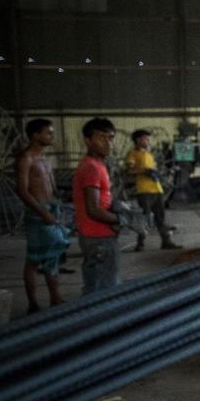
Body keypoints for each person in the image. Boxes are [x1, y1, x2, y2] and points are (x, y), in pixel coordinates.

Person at [14, 118, 69, 312]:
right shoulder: (25, 159)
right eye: (48, 133)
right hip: (37, 214)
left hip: (51, 210)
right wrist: (43, 211)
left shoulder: (45, 159)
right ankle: (33, 303)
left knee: (53, 255)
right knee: (34, 259)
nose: (51, 136)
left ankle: (56, 297)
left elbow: (51, 188)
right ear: (36, 135)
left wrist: (57, 206)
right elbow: (22, 191)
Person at [73, 117, 121, 295]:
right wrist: (121, 219)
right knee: (104, 289)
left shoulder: (97, 165)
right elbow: (93, 210)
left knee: (99, 284)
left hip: (98, 236)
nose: (108, 143)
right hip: (98, 237)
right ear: (87, 140)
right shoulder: (91, 167)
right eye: (101, 137)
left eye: (110, 138)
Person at [125, 130, 180, 251]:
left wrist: (158, 174)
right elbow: (129, 170)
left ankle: (166, 242)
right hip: (144, 191)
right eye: (145, 138)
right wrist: (144, 171)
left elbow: (153, 170)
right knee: (144, 217)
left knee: (161, 217)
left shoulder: (150, 155)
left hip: (157, 189)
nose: (148, 141)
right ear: (138, 140)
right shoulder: (132, 154)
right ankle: (140, 244)